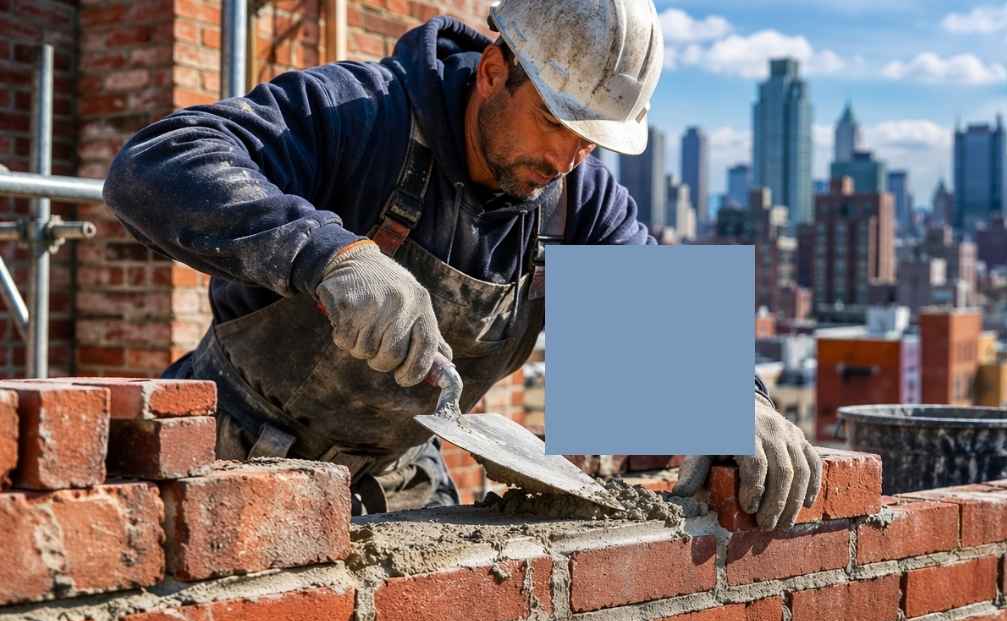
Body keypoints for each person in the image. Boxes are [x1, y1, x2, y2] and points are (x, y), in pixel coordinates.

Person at [103, 0, 821, 529]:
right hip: (231, 443)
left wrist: (733, 400)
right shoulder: (364, 116)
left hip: (397, 473)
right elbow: (155, 163)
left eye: (590, 142)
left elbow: (658, 328)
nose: (568, 159)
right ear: (494, 70)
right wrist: (329, 254)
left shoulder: (573, 198)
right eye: (555, 124)